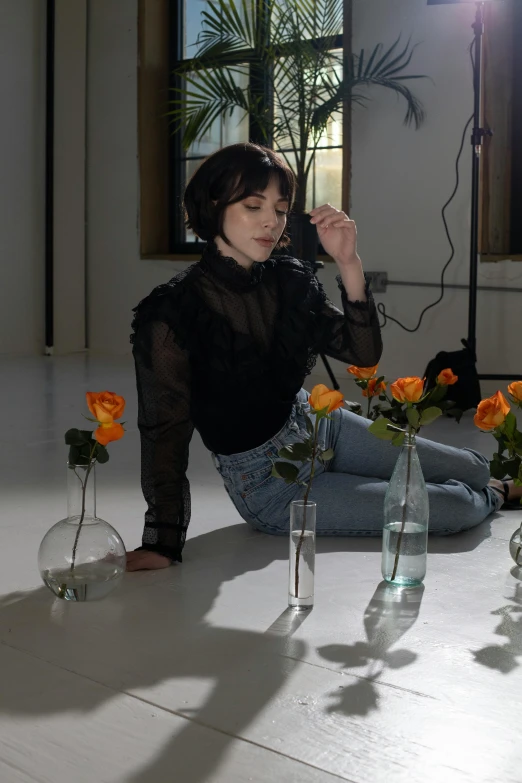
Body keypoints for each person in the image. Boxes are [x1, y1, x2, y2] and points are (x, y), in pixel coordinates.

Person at [127, 143, 519, 571]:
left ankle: (490, 484)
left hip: (318, 425)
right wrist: (162, 541)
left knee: (470, 468)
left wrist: (348, 262)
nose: (270, 223)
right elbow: (163, 431)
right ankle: (498, 495)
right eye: (253, 205)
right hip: (271, 485)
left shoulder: (286, 278)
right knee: (456, 510)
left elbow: (362, 353)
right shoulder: (170, 314)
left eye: (279, 209)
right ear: (214, 204)